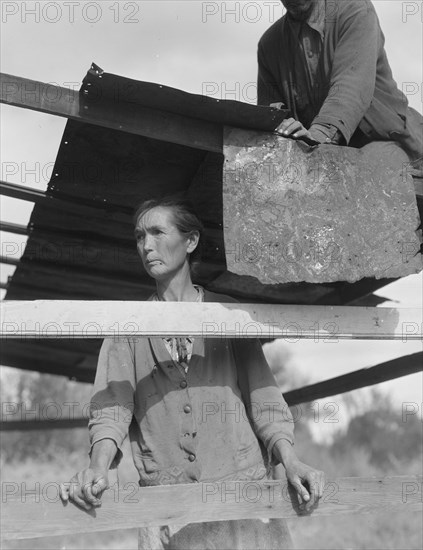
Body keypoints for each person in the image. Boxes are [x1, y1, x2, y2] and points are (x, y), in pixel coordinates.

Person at [60, 197, 325, 549]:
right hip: (170, 509)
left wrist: (290, 461)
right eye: (140, 237)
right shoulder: (126, 326)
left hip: (244, 504)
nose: (146, 245)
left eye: (157, 232)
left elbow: (264, 399)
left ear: (191, 241)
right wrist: (98, 466)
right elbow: (111, 410)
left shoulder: (227, 316)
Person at [257, 0, 422, 171]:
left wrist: (318, 136)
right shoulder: (269, 45)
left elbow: (350, 86)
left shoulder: (355, 10)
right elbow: (270, 118)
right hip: (318, 156)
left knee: (368, 172)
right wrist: (286, 132)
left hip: (389, 141)